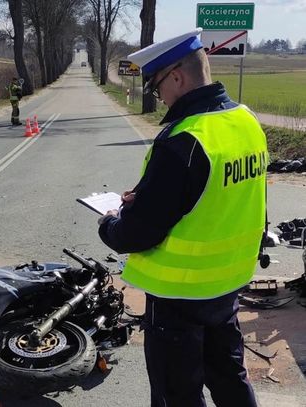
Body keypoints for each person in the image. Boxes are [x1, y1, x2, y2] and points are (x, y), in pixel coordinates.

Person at [98, 28, 267, 407]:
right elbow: (229, 196)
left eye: (157, 87)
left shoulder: (183, 140)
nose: (157, 98)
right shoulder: (246, 121)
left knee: (178, 393)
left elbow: (137, 233)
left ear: (177, 76)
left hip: (179, 295)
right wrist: (149, 198)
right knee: (229, 378)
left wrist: (110, 223)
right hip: (228, 283)